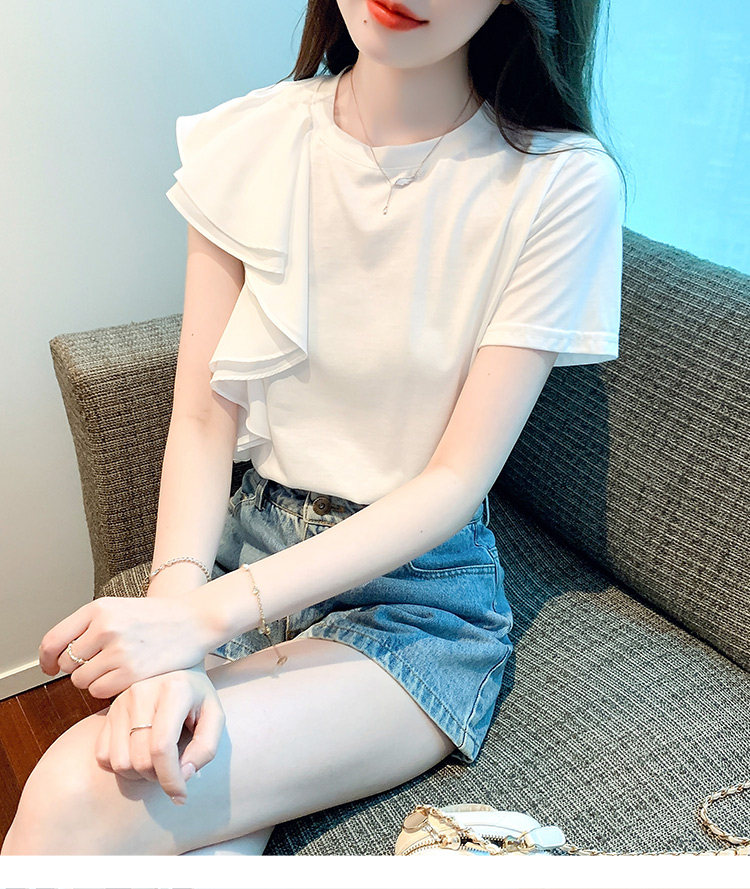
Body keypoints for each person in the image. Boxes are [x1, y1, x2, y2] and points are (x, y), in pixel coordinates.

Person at [2, 0, 626, 855]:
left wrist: (198, 623)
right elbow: (202, 416)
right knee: (189, 824)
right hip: (240, 546)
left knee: (82, 786)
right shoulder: (250, 138)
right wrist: (176, 615)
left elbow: (455, 482)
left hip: (413, 601)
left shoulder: (561, 182)